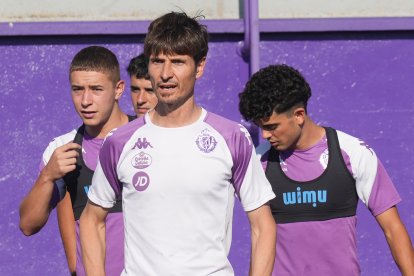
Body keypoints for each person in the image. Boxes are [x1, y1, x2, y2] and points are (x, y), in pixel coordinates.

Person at [80, 12, 277, 276]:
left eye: (178, 62)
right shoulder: (119, 142)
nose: (165, 74)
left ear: (200, 66)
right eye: (157, 61)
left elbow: (262, 225)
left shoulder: (231, 138)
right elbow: (92, 220)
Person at [238, 64, 414, 275]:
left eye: (272, 126)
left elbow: (393, 229)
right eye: (261, 127)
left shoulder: (354, 153)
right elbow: (258, 235)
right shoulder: (258, 162)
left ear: (299, 115)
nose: (265, 135)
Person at [19, 46, 133, 276]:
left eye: (96, 89)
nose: (85, 100)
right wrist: (47, 175)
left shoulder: (148, 138)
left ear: (118, 89)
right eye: (77, 89)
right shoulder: (62, 148)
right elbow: (28, 224)